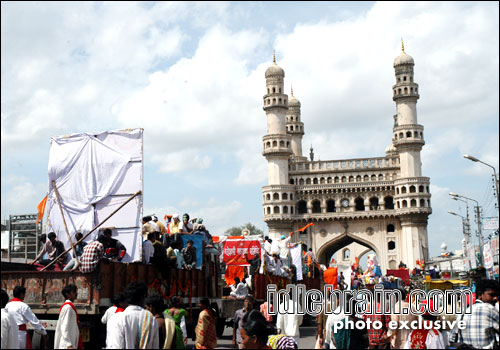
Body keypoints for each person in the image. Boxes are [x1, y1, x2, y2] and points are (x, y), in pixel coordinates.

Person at [450, 279, 499, 349]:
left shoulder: (463, 312)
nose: (495, 298)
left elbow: (452, 338)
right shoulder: (489, 308)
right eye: (492, 295)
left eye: (497, 295)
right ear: (480, 294)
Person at [109, 281, 159, 349]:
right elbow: (155, 346)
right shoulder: (151, 319)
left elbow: (117, 346)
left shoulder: (118, 319)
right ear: (143, 297)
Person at [54, 284, 83, 349]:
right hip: (66, 346)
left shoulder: (69, 307)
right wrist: (69, 345)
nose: (76, 293)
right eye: (74, 292)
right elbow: (64, 327)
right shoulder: (68, 308)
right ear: (67, 294)